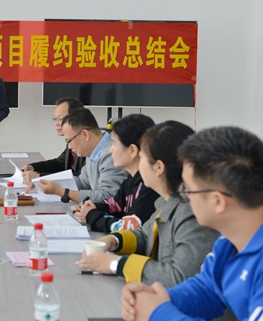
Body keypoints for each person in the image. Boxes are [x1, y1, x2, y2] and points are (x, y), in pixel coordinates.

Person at [121, 127, 263, 321]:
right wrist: (161, 299)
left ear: (217, 201)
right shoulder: (233, 235)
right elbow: (208, 289)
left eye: (187, 189)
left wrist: (160, 317)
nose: (184, 196)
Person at [76, 121, 220, 286]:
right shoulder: (165, 200)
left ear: (158, 167)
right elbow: (145, 235)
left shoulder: (192, 212)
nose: (139, 163)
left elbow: (178, 276)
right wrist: (113, 240)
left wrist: (115, 264)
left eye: (142, 158)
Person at [72, 114, 159, 232]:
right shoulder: (131, 179)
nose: (111, 149)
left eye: (114, 143)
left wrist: (91, 215)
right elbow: (114, 205)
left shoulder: (149, 185)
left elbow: (128, 228)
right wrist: (91, 207)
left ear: (132, 151)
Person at [31, 108, 128, 204]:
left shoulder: (110, 154)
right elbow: (82, 182)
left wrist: (63, 192)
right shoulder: (93, 152)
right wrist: (43, 182)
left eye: (69, 141)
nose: (69, 147)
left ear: (85, 134)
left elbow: (108, 197)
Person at [21, 97, 86, 184]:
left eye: (60, 119)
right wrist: (33, 167)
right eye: (55, 119)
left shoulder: (86, 144)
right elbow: (59, 164)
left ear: (76, 118)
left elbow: (80, 180)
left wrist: (39, 177)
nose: (56, 123)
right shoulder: (72, 141)